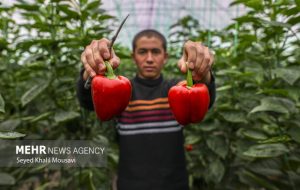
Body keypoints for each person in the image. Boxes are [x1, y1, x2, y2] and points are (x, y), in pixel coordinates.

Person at [77, 29, 216, 190]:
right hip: (130, 184)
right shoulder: (123, 91)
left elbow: (207, 100)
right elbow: (87, 101)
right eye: (142, 52)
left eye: (156, 52)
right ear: (133, 56)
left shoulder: (175, 91)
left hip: (174, 184)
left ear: (165, 57)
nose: (149, 59)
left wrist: (203, 73)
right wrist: (90, 70)